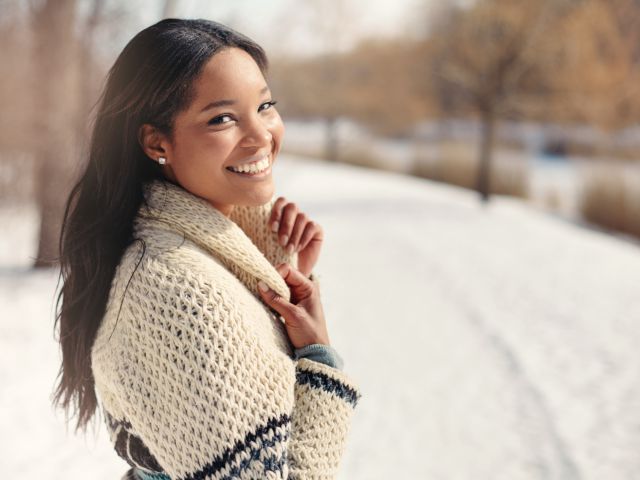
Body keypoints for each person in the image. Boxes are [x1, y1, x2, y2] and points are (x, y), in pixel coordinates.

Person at [52, 18, 361, 480]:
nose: (261, 136)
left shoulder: (196, 252)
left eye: (265, 106)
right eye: (222, 118)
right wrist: (319, 357)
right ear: (157, 142)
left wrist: (279, 270)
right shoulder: (174, 285)